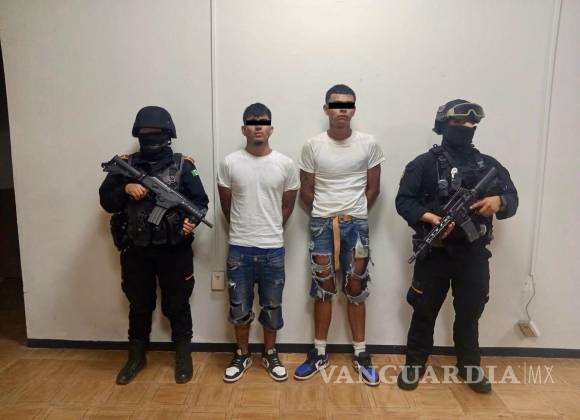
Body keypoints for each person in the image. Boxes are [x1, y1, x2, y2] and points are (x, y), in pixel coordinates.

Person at [395, 99, 518, 393]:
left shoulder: (489, 165)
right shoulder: (423, 164)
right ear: (443, 125)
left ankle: (469, 366)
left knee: (469, 313)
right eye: (459, 122)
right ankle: (414, 364)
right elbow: (404, 201)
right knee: (424, 310)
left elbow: (512, 198)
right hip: (435, 253)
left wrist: (499, 201)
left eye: (472, 123)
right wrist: (428, 217)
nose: (467, 127)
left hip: (473, 254)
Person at [99, 106, 209, 385]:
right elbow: (106, 201)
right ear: (137, 135)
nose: (150, 138)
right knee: (139, 304)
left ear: (168, 134)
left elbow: (200, 202)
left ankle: (183, 354)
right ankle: (136, 356)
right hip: (136, 250)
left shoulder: (184, 166)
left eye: (156, 133)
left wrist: (191, 222)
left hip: (174, 249)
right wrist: (125, 189)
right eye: (145, 134)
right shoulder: (125, 165)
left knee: (178, 303)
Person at [294, 84, 384, 386]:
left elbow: (374, 188)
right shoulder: (313, 145)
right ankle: (319, 352)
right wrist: (325, 211)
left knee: (356, 286)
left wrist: (354, 213)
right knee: (323, 287)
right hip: (322, 225)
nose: (341, 109)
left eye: (347, 104)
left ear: (354, 110)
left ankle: (361, 353)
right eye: (335, 104)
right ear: (326, 109)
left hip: (357, 225)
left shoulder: (368, 143)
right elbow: (306, 190)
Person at [217, 103, 299, 382]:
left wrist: (270, 228)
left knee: (272, 306)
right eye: (252, 123)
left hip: (272, 248)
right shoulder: (230, 163)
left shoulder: (285, 164)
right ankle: (242, 354)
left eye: (263, 122)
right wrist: (244, 229)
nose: (258, 127)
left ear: (271, 128)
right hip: (239, 247)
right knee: (239, 307)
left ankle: (270, 352)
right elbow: (226, 206)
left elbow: (287, 206)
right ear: (244, 129)